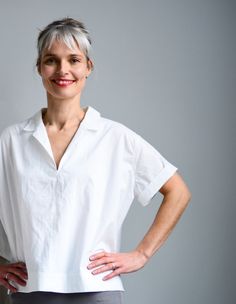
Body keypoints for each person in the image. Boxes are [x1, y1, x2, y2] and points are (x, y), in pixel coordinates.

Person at [0, 17, 191, 304]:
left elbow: (177, 191)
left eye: (74, 59)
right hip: (30, 288)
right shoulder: (11, 141)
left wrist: (142, 253)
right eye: (52, 60)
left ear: (88, 67)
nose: (63, 70)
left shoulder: (115, 137)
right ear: (39, 67)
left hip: (95, 289)